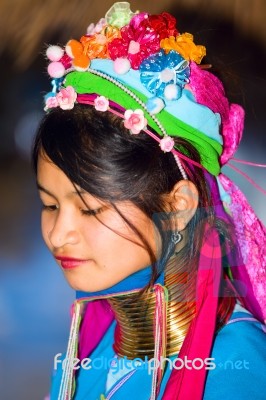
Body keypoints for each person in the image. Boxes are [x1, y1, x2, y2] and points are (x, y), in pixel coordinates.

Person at [32, 3, 266, 399]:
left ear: (178, 207)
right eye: (50, 205)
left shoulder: (232, 367)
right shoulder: (96, 345)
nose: (58, 235)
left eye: (90, 208)